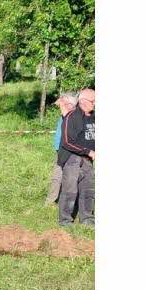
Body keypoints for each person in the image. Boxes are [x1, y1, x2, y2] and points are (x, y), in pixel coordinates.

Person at [57, 88, 95, 226]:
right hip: (72, 159)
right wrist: (88, 151)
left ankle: (87, 219)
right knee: (70, 190)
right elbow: (67, 142)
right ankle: (65, 220)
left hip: (88, 161)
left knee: (88, 190)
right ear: (83, 101)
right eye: (93, 101)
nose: (95, 103)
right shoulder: (71, 117)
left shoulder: (95, 117)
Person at [45, 92, 78, 205]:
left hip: (68, 151)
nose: (59, 107)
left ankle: (70, 204)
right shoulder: (64, 115)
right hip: (60, 149)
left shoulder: (72, 116)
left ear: (68, 105)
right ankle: (51, 201)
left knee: (66, 177)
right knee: (57, 176)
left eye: (62, 105)